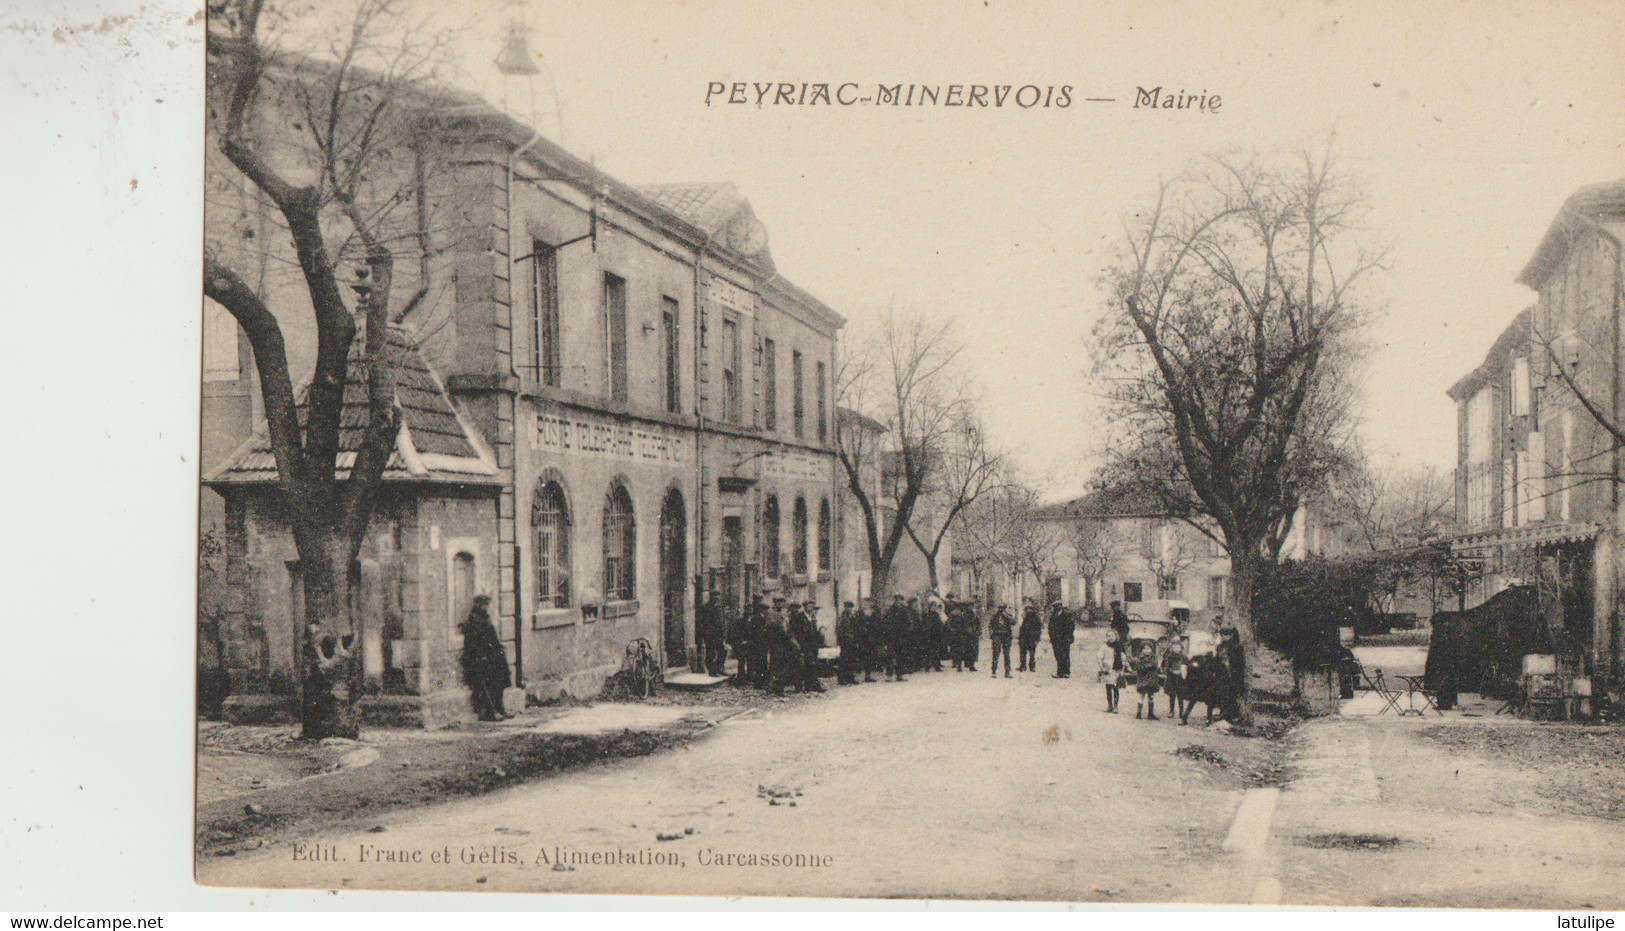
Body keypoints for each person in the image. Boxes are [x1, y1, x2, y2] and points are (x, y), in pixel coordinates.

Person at [459, 594, 510, 721]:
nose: (487, 607)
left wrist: (499, 650)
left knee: (501, 671)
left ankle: (499, 707)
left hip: (488, 657)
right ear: (479, 605)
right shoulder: (474, 620)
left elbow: (492, 639)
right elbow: (473, 645)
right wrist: (484, 656)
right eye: (484, 605)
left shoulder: (485, 618)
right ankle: (489, 712)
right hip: (477, 659)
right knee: (486, 679)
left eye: (487, 605)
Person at [790, 599, 827, 692]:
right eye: (809, 605)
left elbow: (813, 632)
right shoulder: (798, 617)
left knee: (812, 665)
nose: (811, 607)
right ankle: (812, 685)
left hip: (812, 645)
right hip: (804, 645)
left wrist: (821, 633)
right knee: (808, 665)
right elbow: (795, 631)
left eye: (812, 605)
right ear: (804, 606)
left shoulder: (812, 618)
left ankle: (809, 686)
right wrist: (798, 644)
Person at [1216, 625, 1246, 721]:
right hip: (1222, 673)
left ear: (1230, 636)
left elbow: (1240, 663)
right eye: (1222, 635)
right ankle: (1223, 713)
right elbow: (1217, 660)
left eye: (1225, 635)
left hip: (1232, 674)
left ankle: (1233, 715)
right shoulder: (1220, 647)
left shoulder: (1236, 647)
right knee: (1222, 694)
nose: (1223, 637)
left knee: (1231, 694)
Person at [696, 588, 725, 677]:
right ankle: (712, 671)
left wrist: (723, 632)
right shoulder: (706, 607)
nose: (716, 597)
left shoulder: (720, 607)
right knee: (710, 653)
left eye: (718, 596)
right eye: (714, 596)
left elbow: (721, 621)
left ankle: (718, 669)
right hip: (709, 634)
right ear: (711, 597)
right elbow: (701, 621)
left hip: (719, 634)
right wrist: (705, 633)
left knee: (723, 652)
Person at [883, 594, 912, 681]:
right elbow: (885, 622)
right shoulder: (890, 610)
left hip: (901, 636)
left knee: (901, 656)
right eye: (896, 600)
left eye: (900, 600)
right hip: (891, 637)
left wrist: (906, 632)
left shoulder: (904, 611)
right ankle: (889, 675)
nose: (898, 601)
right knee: (890, 656)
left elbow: (909, 623)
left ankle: (900, 674)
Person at [1130, 639, 1161, 719]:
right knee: (1141, 696)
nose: (1146, 650)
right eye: (1144, 649)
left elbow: (1152, 665)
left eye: (1148, 649)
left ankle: (1150, 714)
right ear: (1141, 650)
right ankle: (1139, 713)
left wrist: (1142, 666)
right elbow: (1137, 667)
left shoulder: (1154, 657)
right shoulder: (1139, 657)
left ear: (1151, 649)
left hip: (1151, 680)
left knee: (1151, 696)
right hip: (1142, 680)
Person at [1097, 629, 1125, 712]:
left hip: (1116, 669)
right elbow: (1099, 657)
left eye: (1112, 636)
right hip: (1108, 670)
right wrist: (1102, 665)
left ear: (1116, 636)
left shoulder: (1119, 646)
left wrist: (1122, 668)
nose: (1111, 638)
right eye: (1109, 636)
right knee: (1108, 687)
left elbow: (1123, 658)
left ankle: (1116, 706)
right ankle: (1109, 705)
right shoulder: (1104, 647)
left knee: (1116, 687)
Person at [1048, 601, 1075, 678]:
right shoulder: (1053, 615)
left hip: (1064, 639)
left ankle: (1066, 672)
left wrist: (1068, 637)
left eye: (1056, 606)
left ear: (1060, 606)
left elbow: (1071, 627)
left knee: (1065, 655)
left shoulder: (1067, 615)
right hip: (1055, 640)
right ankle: (1059, 672)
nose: (1055, 608)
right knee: (1058, 655)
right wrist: (1051, 637)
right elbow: (1050, 627)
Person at [835, 600, 859, 685]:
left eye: (850, 607)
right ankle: (842, 679)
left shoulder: (852, 616)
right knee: (844, 660)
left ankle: (850, 677)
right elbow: (838, 629)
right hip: (845, 642)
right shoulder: (841, 617)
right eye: (847, 607)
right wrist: (845, 637)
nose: (849, 609)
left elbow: (855, 628)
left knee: (851, 660)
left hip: (852, 641)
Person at [988, 603, 1015, 677]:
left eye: (1002, 608)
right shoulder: (995, 616)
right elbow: (990, 625)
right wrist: (991, 634)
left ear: (1005, 608)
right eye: (999, 608)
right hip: (997, 635)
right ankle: (994, 671)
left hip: (1006, 636)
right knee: (996, 653)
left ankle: (1007, 671)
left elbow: (1013, 622)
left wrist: (1006, 616)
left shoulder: (1008, 615)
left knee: (1006, 654)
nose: (1000, 610)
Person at [1018, 598, 1043, 672]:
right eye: (1027, 609)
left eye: (1029, 609)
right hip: (1027, 637)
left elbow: (1038, 628)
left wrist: (1037, 638)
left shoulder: (1033, 617)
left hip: (1030, 637)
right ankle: (1026, 667)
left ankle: (1027, 667)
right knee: (1027, 652)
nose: (1028, 611)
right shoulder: (1029, 617)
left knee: (1030, 653)